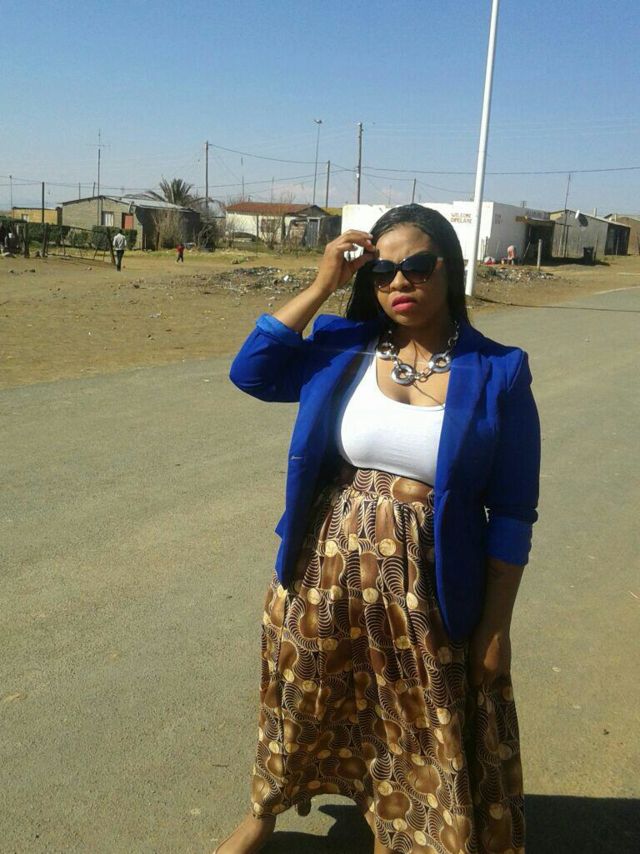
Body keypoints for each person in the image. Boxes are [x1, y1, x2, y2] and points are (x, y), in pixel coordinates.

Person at [220, 205, 540, 854]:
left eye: (416, 266)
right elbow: (251, 371)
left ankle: (401, 828)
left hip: (425, 588)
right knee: (300, 699)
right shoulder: (343, 345)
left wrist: (495, 627)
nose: (399, 282)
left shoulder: (499, 370)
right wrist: (322, 285)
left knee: (413, 716)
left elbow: (511, 513)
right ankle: (263, 812)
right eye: (383, 271)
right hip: (323, 569)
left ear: (448, 268)